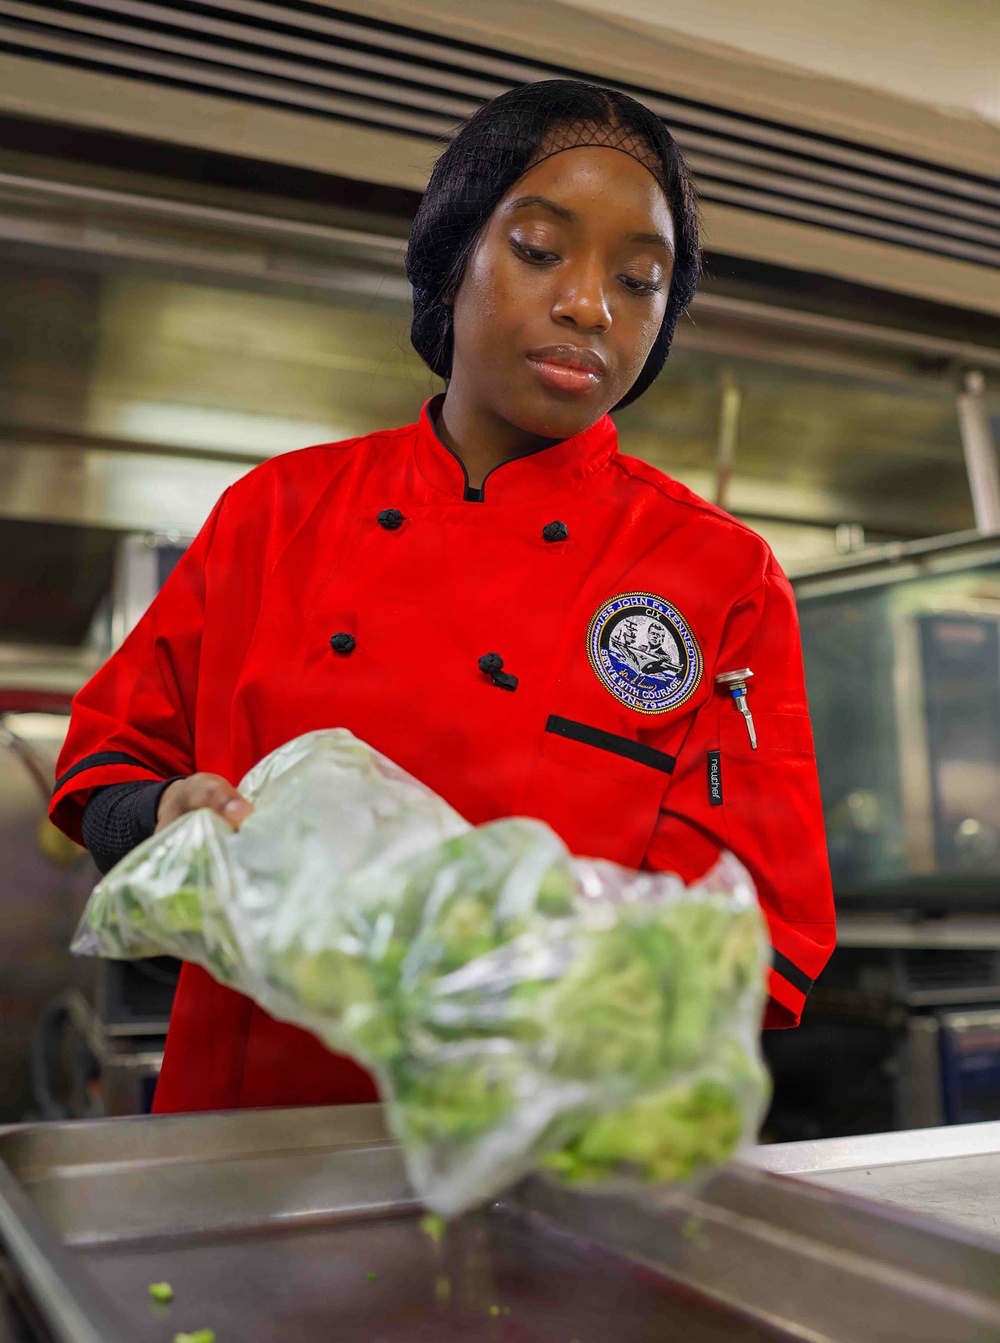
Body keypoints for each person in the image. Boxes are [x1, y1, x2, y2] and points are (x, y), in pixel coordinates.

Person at [49, 79, 835, 1113]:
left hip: (538, 1150)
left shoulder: (715, 575)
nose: (589, 305)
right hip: (246, 1142)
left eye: (640, 280)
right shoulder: (276, 511)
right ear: (453, 253)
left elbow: (755, 922)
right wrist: (166, 812)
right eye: (540, 249)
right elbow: (108, 763)